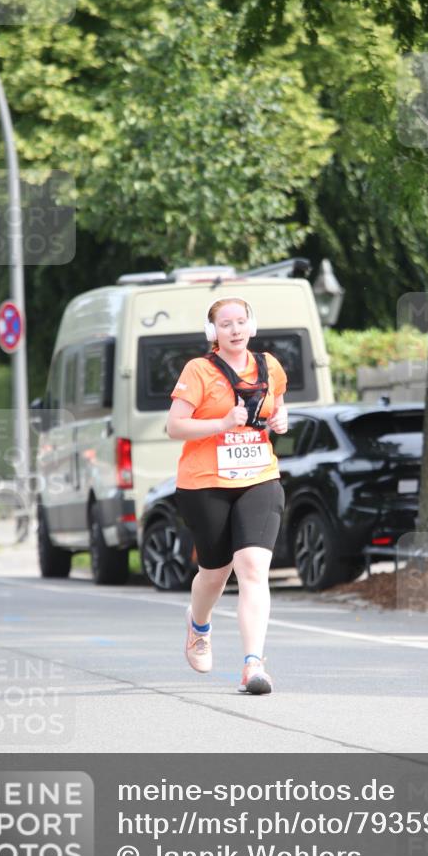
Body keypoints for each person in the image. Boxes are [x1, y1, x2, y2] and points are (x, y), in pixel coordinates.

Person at [166, 296, 288, 695]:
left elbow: (277, 409)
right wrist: (221, 422)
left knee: (253, 567)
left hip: (259, 477)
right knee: (215, 571)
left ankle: (254, 664)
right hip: (205, 482)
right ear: (213, 332)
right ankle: (198, 625)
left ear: (251, 326)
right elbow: (175, 427)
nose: (235, 330)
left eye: (241, 322)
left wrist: (280, 420)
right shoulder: (198, 370)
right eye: (225, 324)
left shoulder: (269, 366)